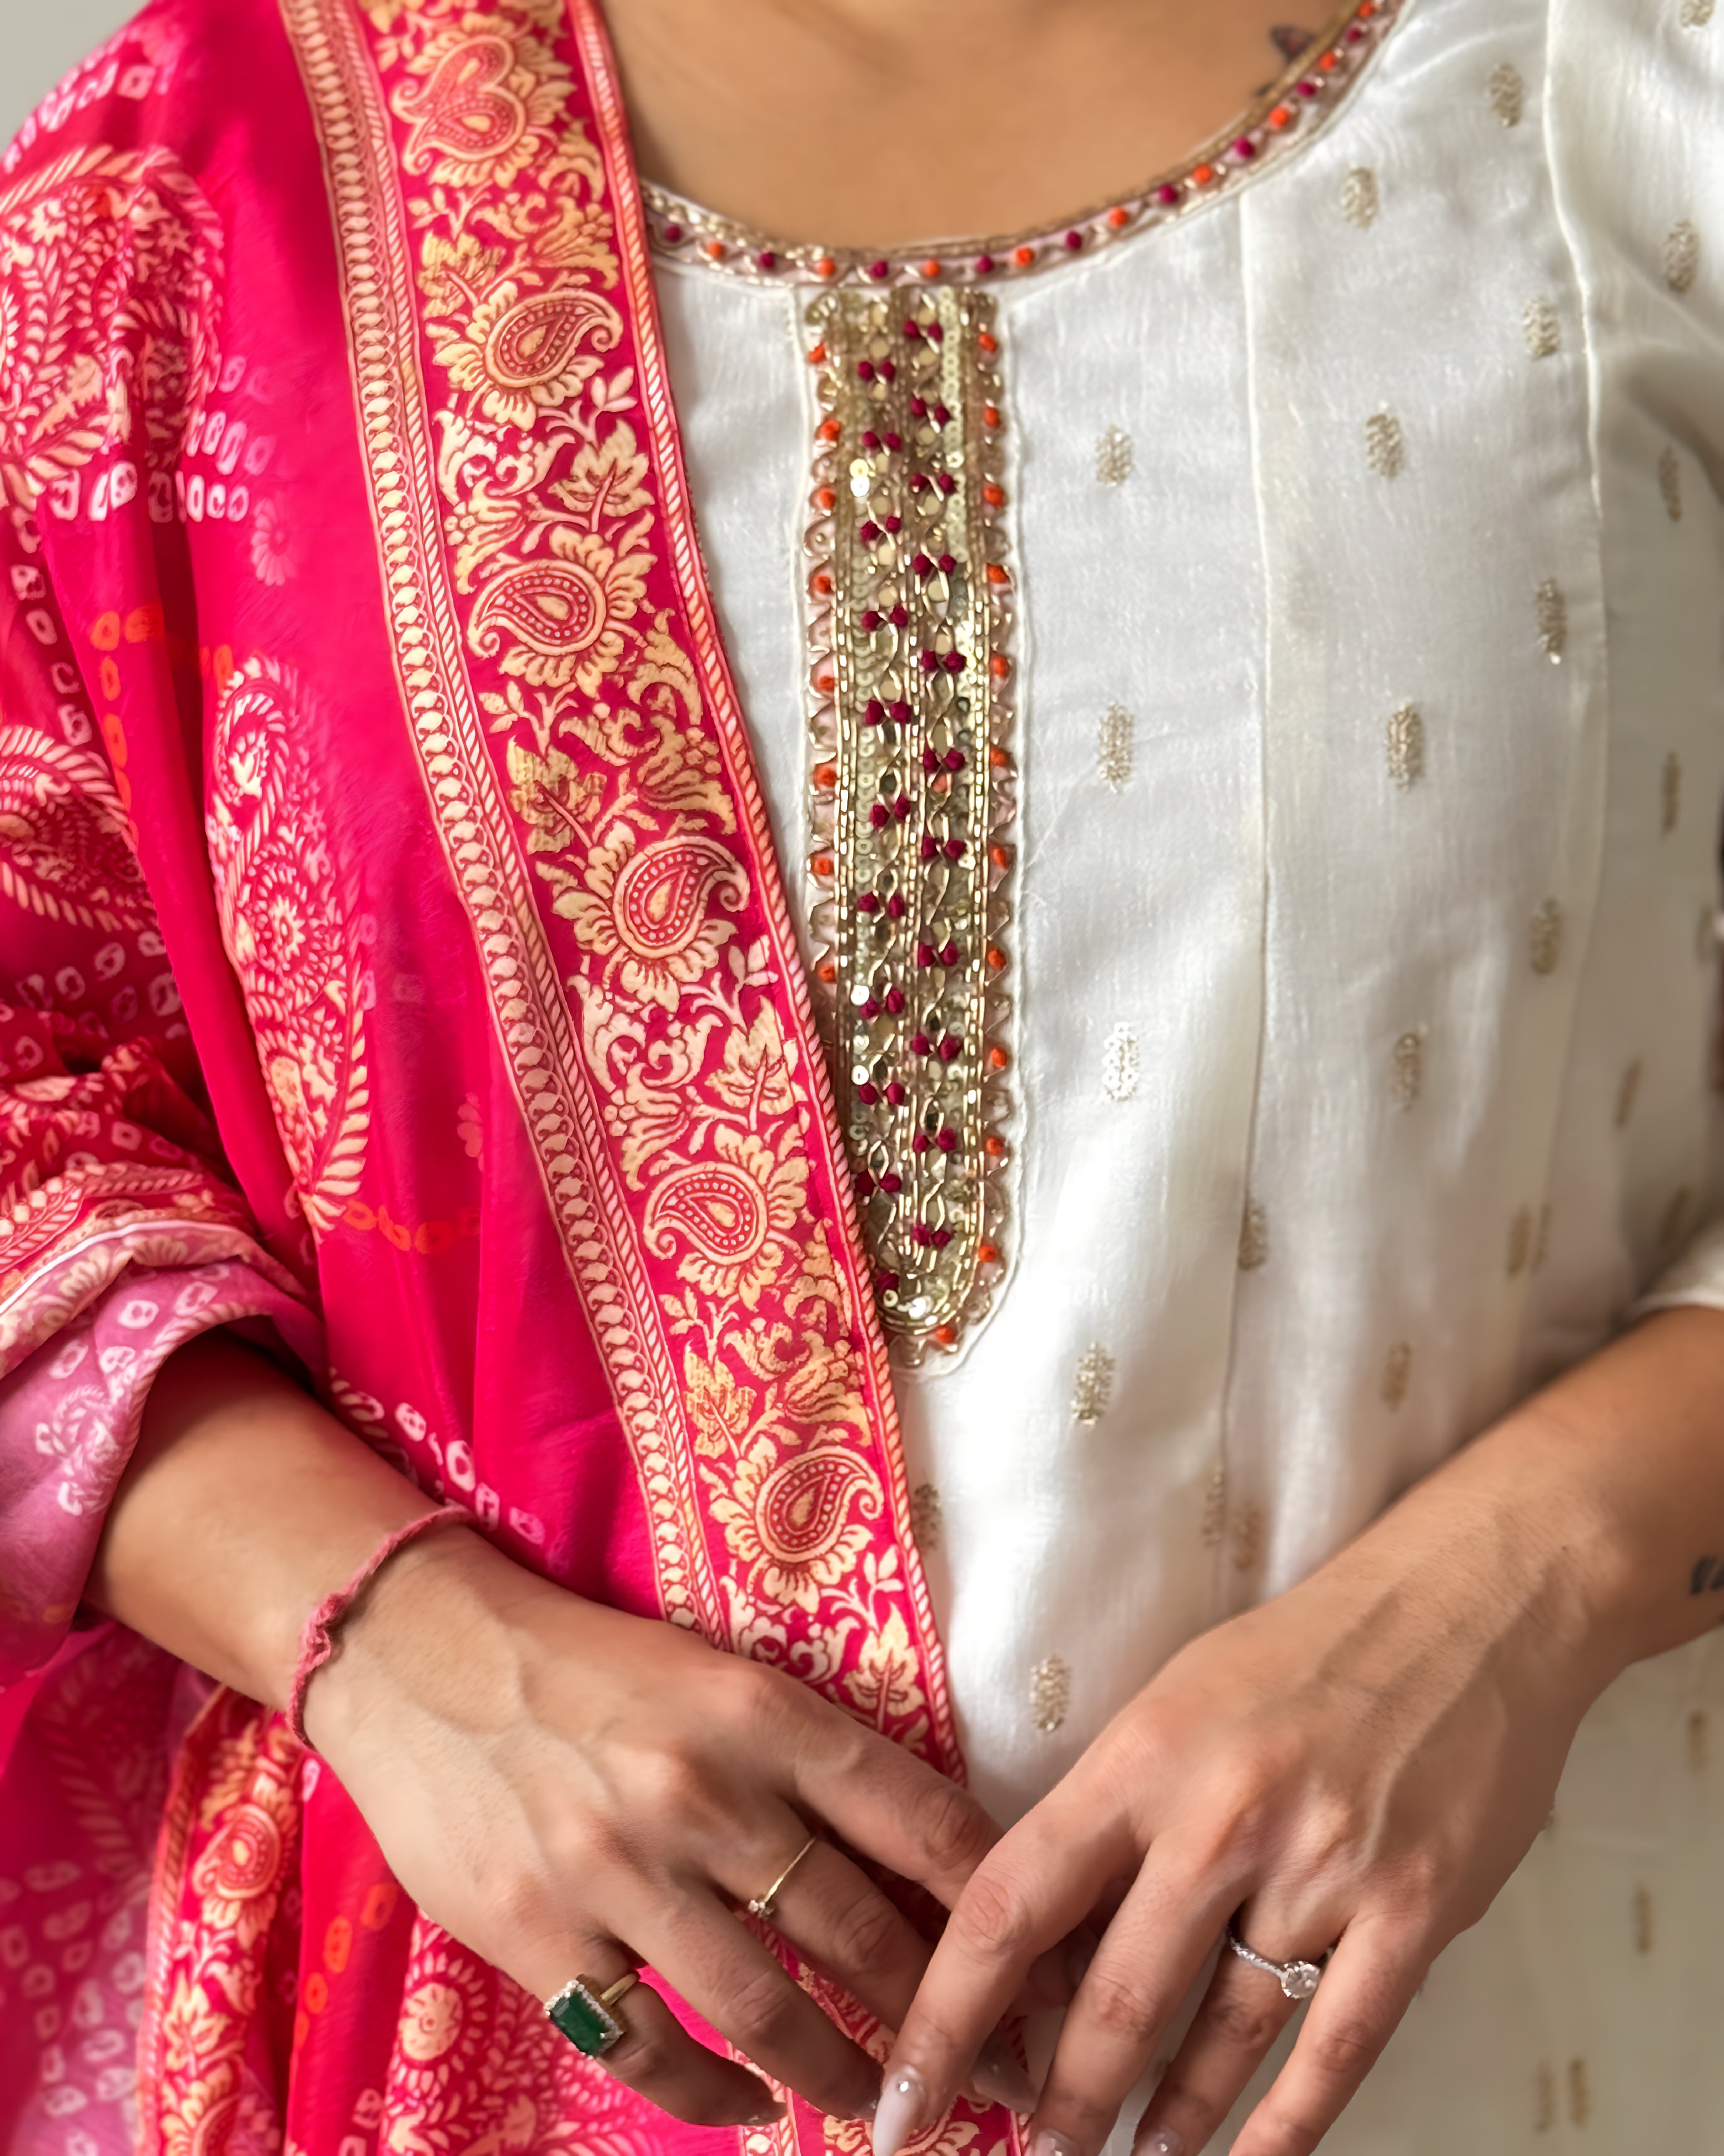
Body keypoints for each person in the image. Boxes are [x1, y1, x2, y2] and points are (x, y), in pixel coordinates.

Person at [2, 1, 1721, 2152]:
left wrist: (1530, 1585)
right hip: (502, 2064)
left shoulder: (1630, 81)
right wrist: (394, 1639)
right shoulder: (206, 194)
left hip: (1507, 2025)